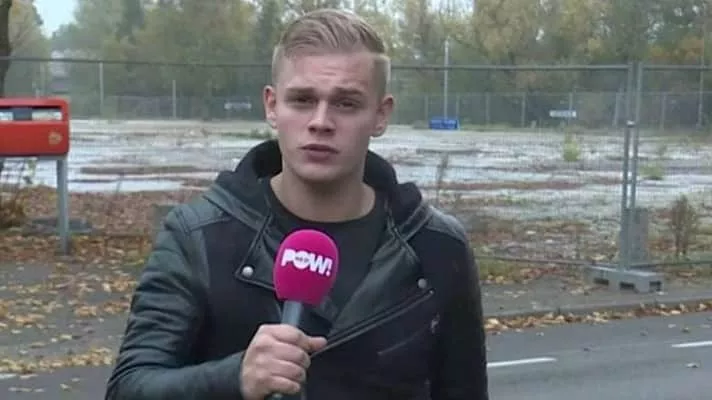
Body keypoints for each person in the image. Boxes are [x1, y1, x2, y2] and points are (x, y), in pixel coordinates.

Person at [104, 8, 489, 400]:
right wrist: (235, 377)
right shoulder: (197, 237)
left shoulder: (437, 247)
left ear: (380, 114)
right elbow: (128, 388)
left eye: (346, 103)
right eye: (303, 100)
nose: (321, 121)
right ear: (272, 106)